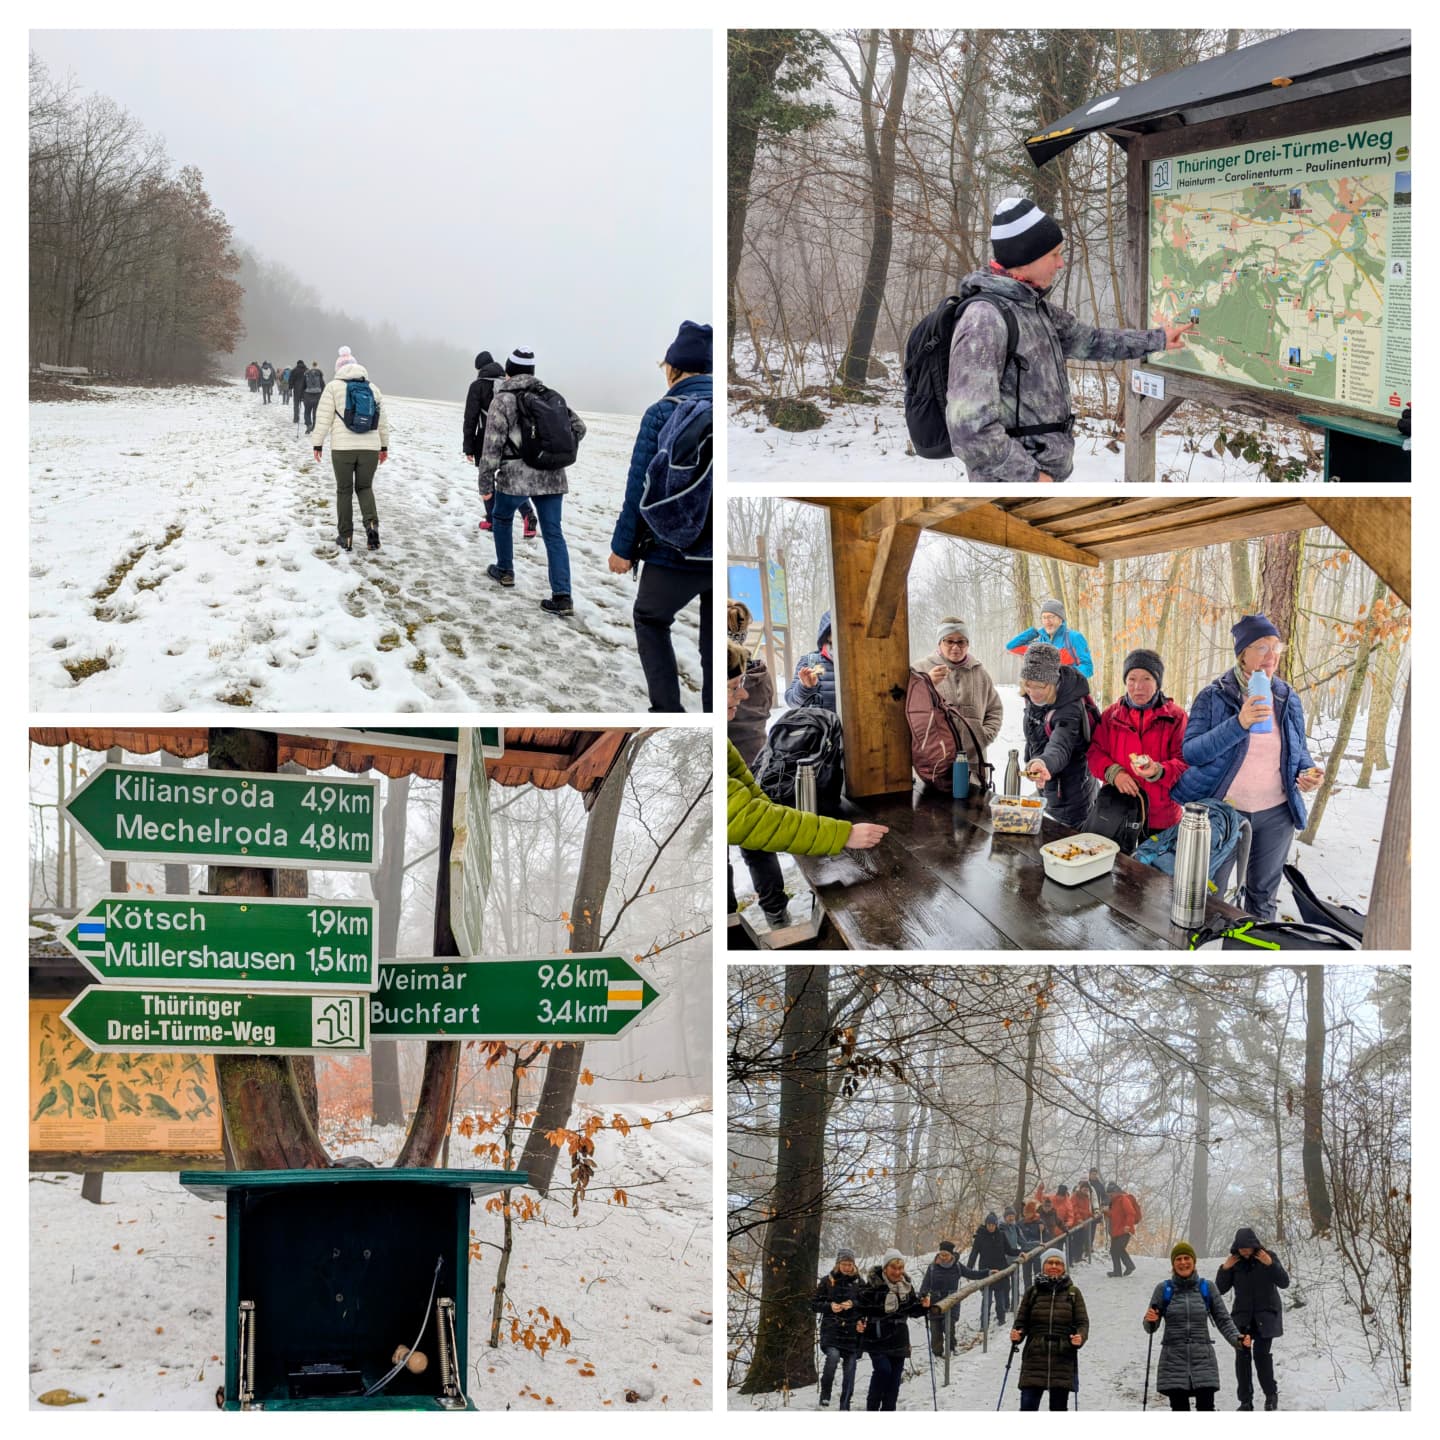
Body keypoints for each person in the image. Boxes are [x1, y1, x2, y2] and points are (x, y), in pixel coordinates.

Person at [945, 195, 1195, 482]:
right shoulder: (984, 319)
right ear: (1025, 257)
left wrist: (1158, 339)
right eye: (1054, 254)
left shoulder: (1035, 309)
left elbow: (1093, 341)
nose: (1061, 263)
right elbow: (969, 430)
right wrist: (1032, 478)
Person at [1172, 614, 1323, 919]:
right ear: (1242, 653)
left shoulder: (1286, 697)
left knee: (1263, 895)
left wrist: (1307, 773)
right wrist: (1238, 723)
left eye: (1276, 647)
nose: (1272, 656)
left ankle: (1257, 950)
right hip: (1224, 812)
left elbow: (1298, 752)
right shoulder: (1213, 696)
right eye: (1262, 647)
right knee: (1211, 895)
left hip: (1276, 813)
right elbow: (1192, 752)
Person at [726, 643, 886, 908]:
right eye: (733, 687)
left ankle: (774, 907)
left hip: (844, 766)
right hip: (814, 763)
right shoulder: (809, 662)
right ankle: (768, 910)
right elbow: (749, 818)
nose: (743, 694)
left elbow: (758, 806)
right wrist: (841, 835)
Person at [610, 321, 714, 713]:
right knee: (713, 648)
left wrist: (623, 549)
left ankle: (667, 709)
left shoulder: (661, 412)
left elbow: (639, 485)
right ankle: (713, 717)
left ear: (673, 368)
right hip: (715, 554)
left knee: (651, 618)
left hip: (673, 549)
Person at [478, 347, 586, 616]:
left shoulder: (502, 400)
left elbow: (492, 446)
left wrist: (485, 484)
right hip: (552, 476)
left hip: (516, 478)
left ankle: (505, 570)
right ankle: (562, 596)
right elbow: (580, 428)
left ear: (508, 371)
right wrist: (550, 453)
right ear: (533, 372)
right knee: (553, 533)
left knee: (502, 518)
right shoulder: (549, 396)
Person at [727, 606, 789, 928]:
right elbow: (765, 709)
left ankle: (730, 924)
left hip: (728, 768)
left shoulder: (725, 674)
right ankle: (777, 914)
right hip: (758, 762)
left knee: (720, 855)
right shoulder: (760, 674)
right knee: (759, 844)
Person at [1086, 648, 1188, 832]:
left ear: (1157, 683)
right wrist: (1115, 773)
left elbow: (1185, 762)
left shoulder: (1176, 717)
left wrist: (1159, 770)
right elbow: (1094, 752)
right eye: (1132, 679)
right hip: (1116, 814)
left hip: (1161, 819)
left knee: (1151, 862)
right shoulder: (1111, 716)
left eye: (1146, 679)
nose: (1138, 686)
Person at [1144, 1241, 1250, 1411]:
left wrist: (1238, 1339)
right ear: (1173, 1264)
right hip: (1173, 1362)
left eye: (1187, 1258)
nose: (1183, 1262)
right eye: (1178, 1259)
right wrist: (1150, 1319)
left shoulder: (1207, 1288)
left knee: (1206, 1408)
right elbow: (1150, 1327)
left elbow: (1223, 1319)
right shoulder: (1163, 1289)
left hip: (1203, 1360)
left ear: (1194, 1261)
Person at [310, 348, 390, 552]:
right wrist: (383, 446)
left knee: (344, 490)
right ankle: (372, 527)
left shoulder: (333, 387)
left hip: (342, 449)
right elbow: (382, 422)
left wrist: (317, 443)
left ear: (338, 369)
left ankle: (345, 537)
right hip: (370, 448)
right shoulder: (373, 388)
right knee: (365, 488)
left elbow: (323, 418)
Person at [1019, 643, 1098, 828]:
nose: (1034, 692)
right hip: (1047, 783)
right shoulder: (1032, 698)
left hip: (1072, 794)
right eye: (1029, 685)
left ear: (1053, 681)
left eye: (1041, 686)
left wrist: (1043, 763)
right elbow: (1035, 735)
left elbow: (1060, 746)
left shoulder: (1070, 708)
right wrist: (1033, 762)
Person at [1215, 1227, 1289, 1411]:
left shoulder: (1267, 1256)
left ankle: (1270, 1395)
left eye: (1248, 1247)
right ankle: (1245, 1401)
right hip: (1242, 1318)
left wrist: (1271, 1264)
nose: (1245, 1250)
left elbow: (1284, 1282)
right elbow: (1220, 1289)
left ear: (1254, 1245)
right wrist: (1225, 1269)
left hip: (1266, 1315)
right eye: (1241, 1247)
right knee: (1242, 1358)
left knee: (1262, 1356)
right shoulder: (1235, 1262)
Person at [464, 350, 536, 537]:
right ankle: (528, 516)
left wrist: (468, 446)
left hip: (485, 439)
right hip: (512, 440)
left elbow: (470, 418)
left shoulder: (477, 386)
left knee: (486, 478)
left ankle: (492, 520)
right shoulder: (507, 383)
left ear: (479, 368)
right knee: (511, 481)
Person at [918, 619, 1004, 773]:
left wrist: (983, 736)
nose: (955, 647)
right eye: (949, 641)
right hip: (934, 762)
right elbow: (910, 708)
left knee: (973, 797)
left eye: (961, 642)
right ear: (939, 642)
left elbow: (995, 709)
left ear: (968, 644)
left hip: (973, 761)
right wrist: (926, 683)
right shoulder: (920, 670)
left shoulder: (980, 673)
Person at [1009, 1248, 1087, 1410]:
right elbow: (1021, 1321)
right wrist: (1017, 1334)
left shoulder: (1073, 1293)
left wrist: (1080, 1336)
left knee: (1058, 1409)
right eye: (1050, 1262)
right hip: (1035, 1355)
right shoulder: (1033, 1292)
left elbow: (1082, 1322)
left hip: (1063, 1356)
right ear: (1043, 1266)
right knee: (1028, 1407)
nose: (1054, 1266)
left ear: (1064, 1267)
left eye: (1058, 1263)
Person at [855, 1250, 930, 1411]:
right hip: (877, 1338)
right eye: (893, 1268)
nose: (897, 1272)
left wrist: (923, 1306)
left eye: (900, 1268)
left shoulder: (906, 1286)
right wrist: (859, 1322)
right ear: (885, 1268)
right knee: (883, 1371)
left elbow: (912, 1310)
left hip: (899, 1339)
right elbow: (861, 1309)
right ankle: (872, 1409)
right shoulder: (874, 1286)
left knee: (894, 1382)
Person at [812, 1248, 863, 1410]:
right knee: (832, 1358)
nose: (847, 1267)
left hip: (852, 1331)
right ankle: (825, 1394)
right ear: (838, 1264)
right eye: (844, 1264)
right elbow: (814, 1304)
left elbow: (867, 1303)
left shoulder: (859, 1282)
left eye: (850, 1264)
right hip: (831, 1329)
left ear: (854, 1265)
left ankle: (845, 1403)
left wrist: (853, 1304)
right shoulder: (827, 1280)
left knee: (850, 1367)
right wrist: (829, 1306)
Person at [921, 1239, 987, 1357]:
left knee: (949, 1327)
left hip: (952, 1302)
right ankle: (937, 1355)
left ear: (952, 1255)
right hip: (935, 1304)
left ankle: (951, 1349)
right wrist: (923, 1296)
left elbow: (972, 1274)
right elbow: (925, 1285)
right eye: (941, 1254)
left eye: (946, 1255)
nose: (943, 1257)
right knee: (935, 1333)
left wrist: (987, 1272)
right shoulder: (932, 1268)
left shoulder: (957, 1266)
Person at [1005, 597, 1093, 678]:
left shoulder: (1074, 637)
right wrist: (1032, 632)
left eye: (1051, 617)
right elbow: (1011, 647)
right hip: (1045, 693)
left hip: (1070, 693)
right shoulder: (1038, 643)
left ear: (1060, 619)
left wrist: (1064, 675)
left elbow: (1088, 668)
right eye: (1044, 617)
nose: (1047, 621)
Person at [966, 1214, 1020, 1328]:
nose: (991, 1227)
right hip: (986, 1271)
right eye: (989, 1225)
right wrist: (968, 1269)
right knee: (987, 1300)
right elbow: (974, 1254)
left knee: (1000, 1299)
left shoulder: (1001, 1235)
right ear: (986, 1225)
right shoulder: (980, 1237)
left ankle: (1001, 1320)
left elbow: (1009, 1250)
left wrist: (1020, 1252)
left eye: (993, 1225)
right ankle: (984, 1325)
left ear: (996, 1225)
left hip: (1000, 1270)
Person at [785, 612, 837, 711]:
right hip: (823, 725)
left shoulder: (862, 660)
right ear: (826, 634)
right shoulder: (812, 661)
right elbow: (792, 702)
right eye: (835, 629)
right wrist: (804, 687)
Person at [1104, 1182, 1140, 1277]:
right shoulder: (1114, 1202)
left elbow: (1131, 1213)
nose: (1110, 1196)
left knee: (1117, 1249)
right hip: (1116, 1230)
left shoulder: (1123, 1199)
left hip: (1124, 1230)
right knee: (1115, 1250)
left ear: (1115, 1192)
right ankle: (1122, 1269)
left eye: (1111, 1194)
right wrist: (1106, 1213)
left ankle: (1124, 1268)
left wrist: (1128, 1225)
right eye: (1108, 1195)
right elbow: (1115, 1215)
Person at [1018, 1201, 1044, 1288]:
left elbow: (1045, 1236)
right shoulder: (1020, 1223)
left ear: (1033, 1213)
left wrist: (1043, 1230)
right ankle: (1028, 1291)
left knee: (1038, 1272)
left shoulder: (1039, 1222)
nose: (1026, 1214)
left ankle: (1039, 1290)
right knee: (1026, 1274)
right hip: (1025, 1251)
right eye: (1025, 1212)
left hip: (1037, 1252)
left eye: (1028, 1212)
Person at [1069, 1182, 1094, 1265]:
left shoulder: (1087, 1198)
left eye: (1087, 1190)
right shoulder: (1075, 1196)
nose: (1086, 1191)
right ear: (1081, 1188)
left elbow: (1087, 1209)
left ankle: (1079, 1257)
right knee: (1076, 1240)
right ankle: (1074, 1257)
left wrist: (1091, 1215)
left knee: (1081, 1240)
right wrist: (1079, 1218)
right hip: (1076, 1222)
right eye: (1084, 1189)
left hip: (1084, 1222)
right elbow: (1074, 1208)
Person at [302, 361, 325, 434]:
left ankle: (309, 424)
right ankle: (314, 426)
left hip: (307, 396)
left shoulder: (306, 374)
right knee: (315, 413)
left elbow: (303, 386)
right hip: (317, 396)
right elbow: (323, 386)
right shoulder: (319, 374)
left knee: (307, 412)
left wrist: (301, 396)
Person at [290, 358, 308, 424]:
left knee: (296, 405)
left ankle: (296, 418)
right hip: (305, 391)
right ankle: (307, 419)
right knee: (306, 406)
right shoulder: (307, 370)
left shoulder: (294, 370)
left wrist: (290, 388)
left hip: (296, 390)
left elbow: (291, 380)